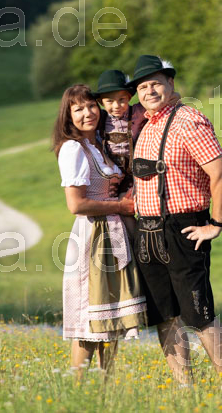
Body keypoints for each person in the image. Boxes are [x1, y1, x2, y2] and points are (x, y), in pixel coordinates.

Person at [127, 55, 222, 388]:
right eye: (142, 87)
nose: (149, 91)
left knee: (200, 315)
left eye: (155, 83)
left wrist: (216, 224)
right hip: (147, 231)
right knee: (165, 317)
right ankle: (184, 390)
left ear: (171, 83)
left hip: (183, 229)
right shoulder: (146, 125)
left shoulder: (189, 120)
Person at [92, 70, 193, 374]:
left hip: (141, 197)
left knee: (161, 294)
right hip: (113, 199)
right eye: (109, 101)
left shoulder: (139, 114)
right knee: (109, 286)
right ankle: (105, 371)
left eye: (122, 99)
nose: (116, 106)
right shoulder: (97, 123)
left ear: (130, 97)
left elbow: (166, 102)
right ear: (101, 102)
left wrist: (172, 94)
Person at [52, 84, 148, 377]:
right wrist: (121, 206)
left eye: (91, 106)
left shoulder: (98, 146)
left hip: (112, 235)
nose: (88, 113)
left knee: (111, 313)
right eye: (78, 109)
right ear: (68, 116)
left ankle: (106, 390)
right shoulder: (73, 149)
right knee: (88, 316)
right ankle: (77, 387)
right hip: (91, 236)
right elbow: (76, 204)